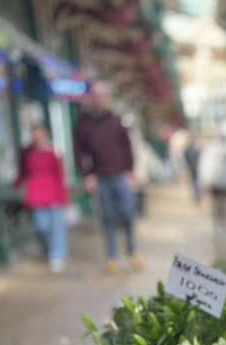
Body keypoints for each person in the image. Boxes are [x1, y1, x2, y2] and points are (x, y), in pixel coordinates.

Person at [73, 81, 142, 274]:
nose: (99, 99)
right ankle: (112, 256)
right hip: (100, 177)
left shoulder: (116, 120)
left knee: (128, 213)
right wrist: (87, 175)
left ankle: (132, 250)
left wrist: (130, 171)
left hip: (121, 174)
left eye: (102, 95)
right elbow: (78, 152)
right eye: (95, 95)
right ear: (90, 98)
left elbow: (127, 146)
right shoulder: (84, 123)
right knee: (107, 217)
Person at [14, 124, 69, 273]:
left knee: (56, 226)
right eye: (34, 134)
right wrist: (17, 183)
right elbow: (23, 171)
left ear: (45, 135)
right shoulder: (27, 153)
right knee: (41, 226)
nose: (37, 137)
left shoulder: (53, 152)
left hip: (52, 192)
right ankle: (47, 249)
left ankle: (57, 254)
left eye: (40, 134)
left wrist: (63, 194)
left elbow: (60, 174)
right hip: (36, 193)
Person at [183, 135, 200, 202]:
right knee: (195, 182)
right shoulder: (194, 148)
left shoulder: (192, 148)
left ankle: (196, 195)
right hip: (194, 167)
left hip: (194, 167)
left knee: (194, 182)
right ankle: (196, 195)